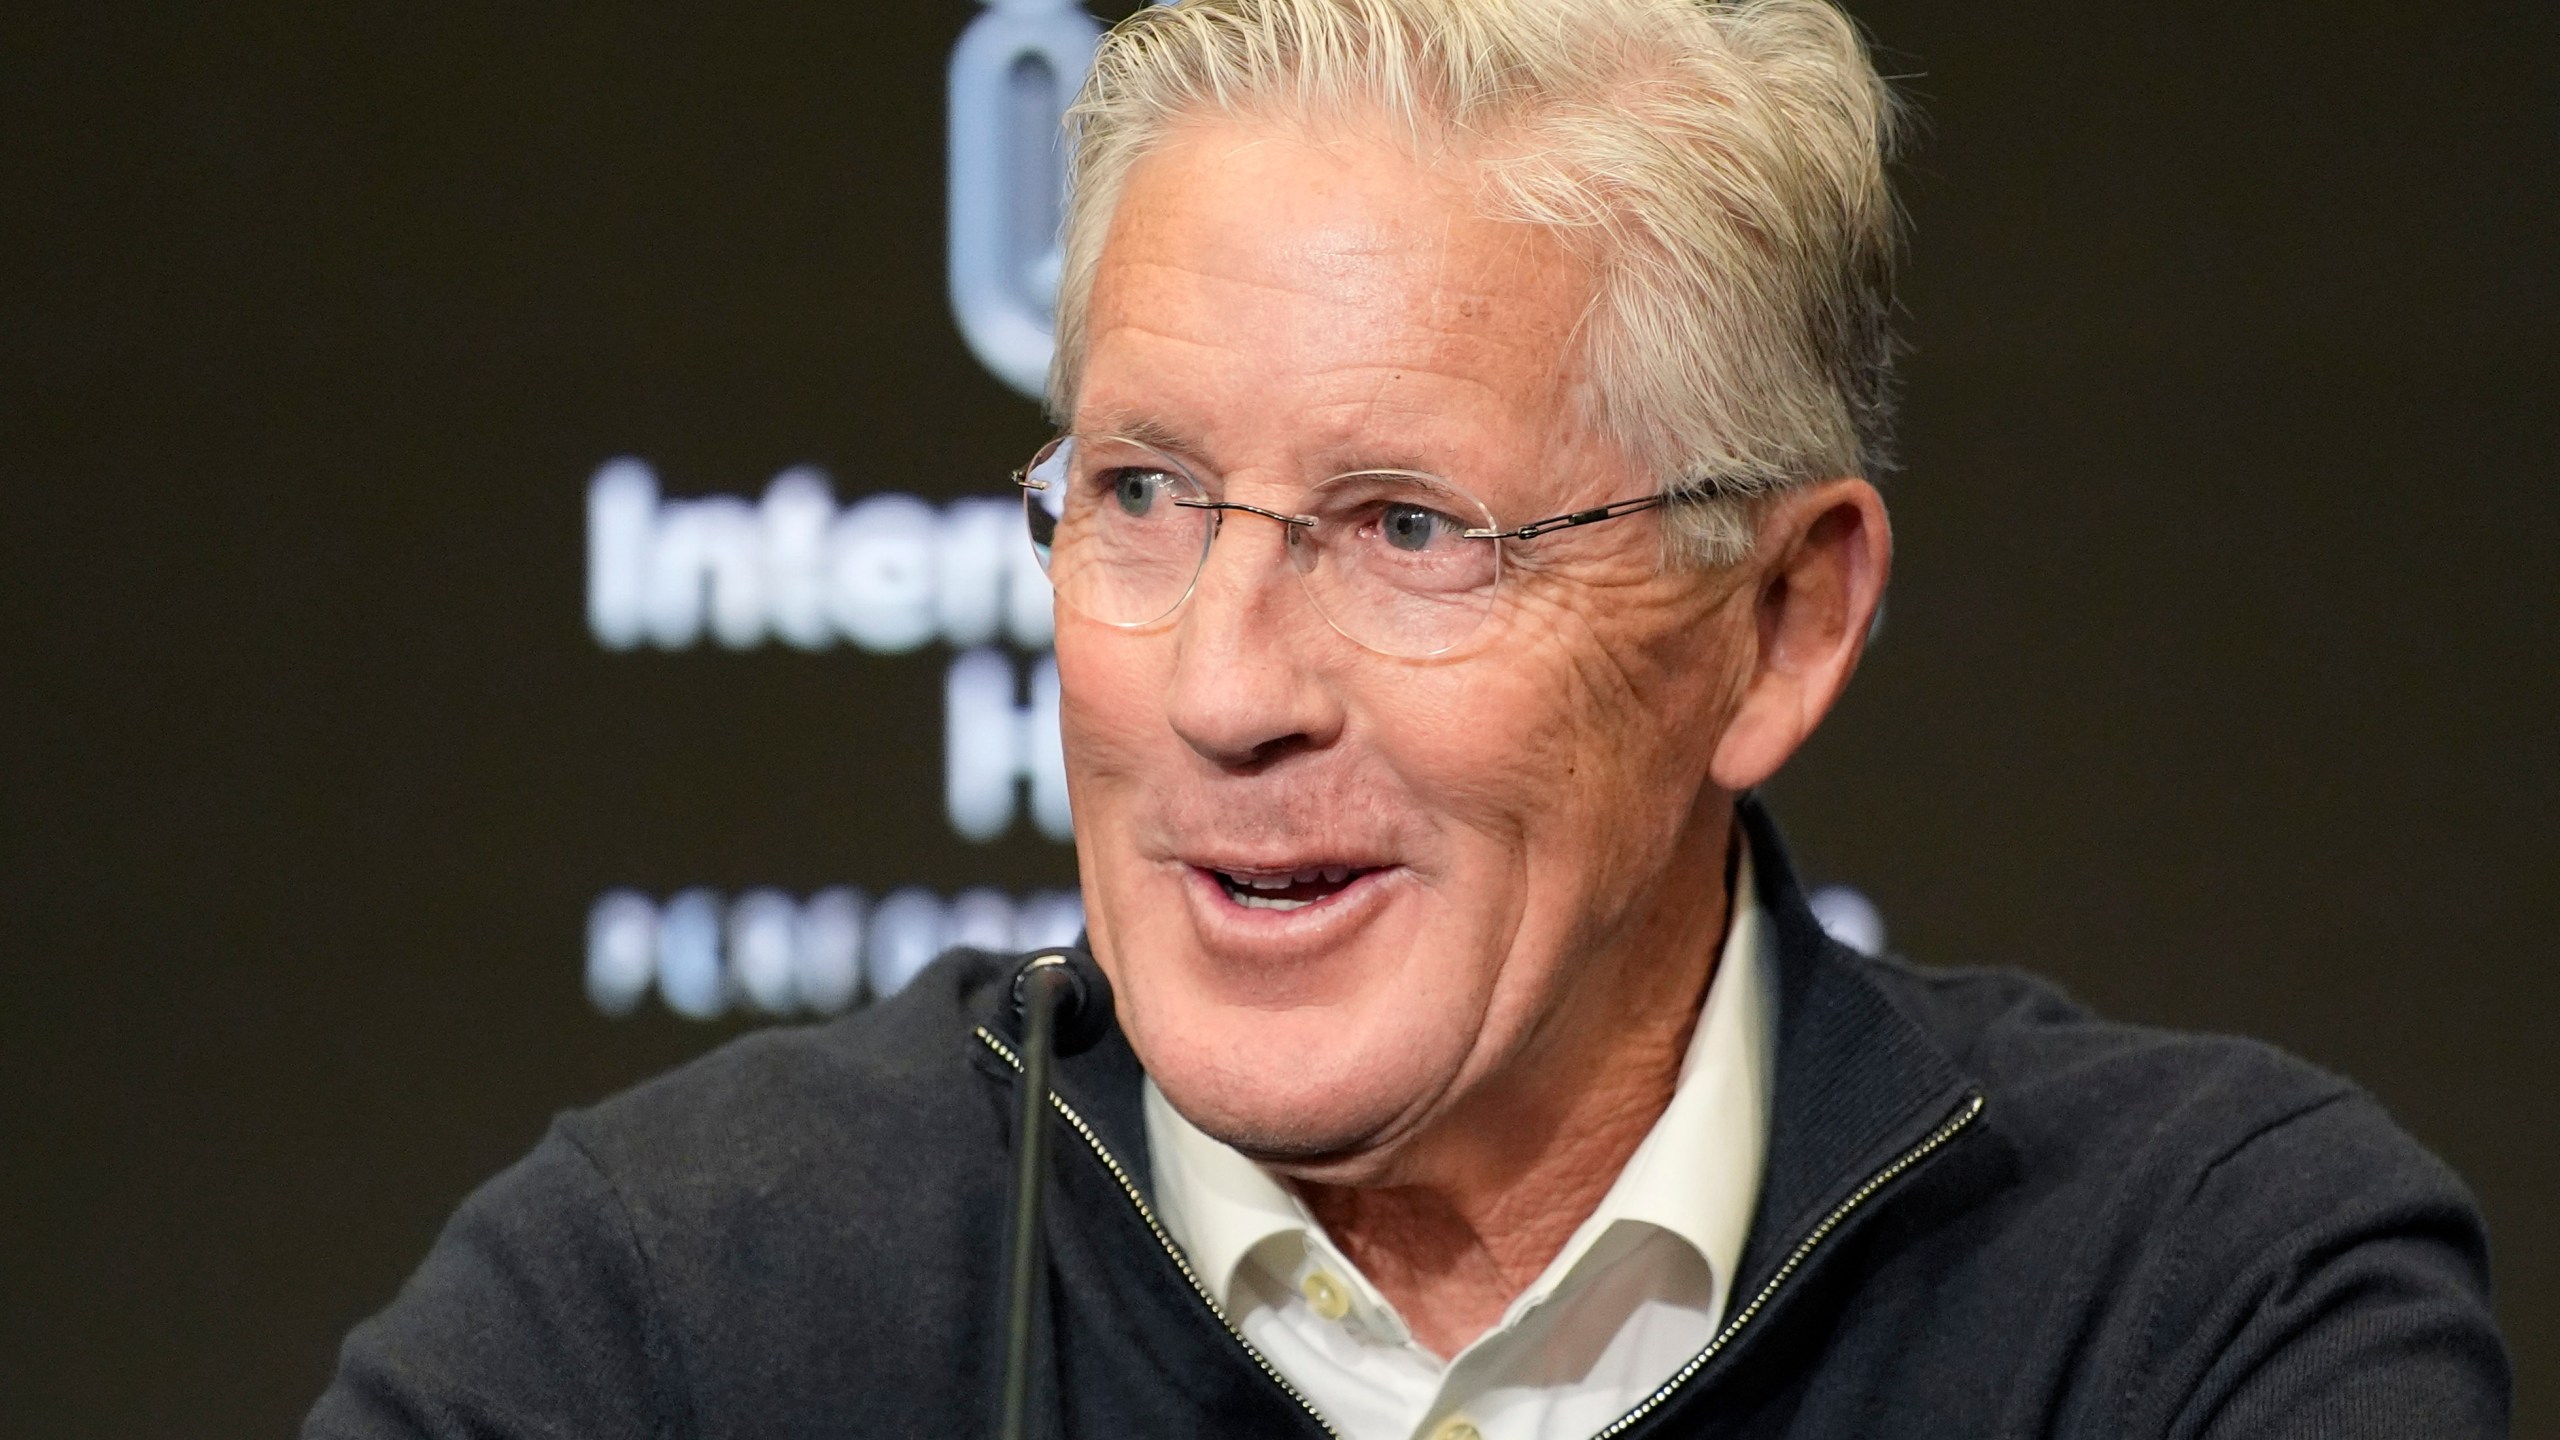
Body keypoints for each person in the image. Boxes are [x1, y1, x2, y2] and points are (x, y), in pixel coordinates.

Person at [305, 1, 2511, 1435]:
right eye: (1145, 496)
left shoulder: (2191, 1308)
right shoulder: (669, 1321)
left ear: (1774, 624)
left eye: (1407, 528)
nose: (1225, 688)